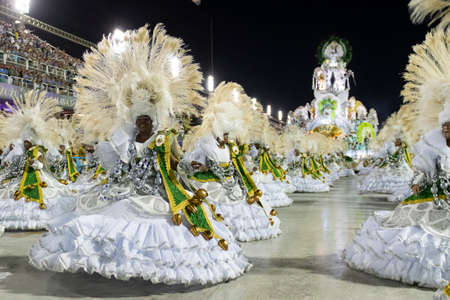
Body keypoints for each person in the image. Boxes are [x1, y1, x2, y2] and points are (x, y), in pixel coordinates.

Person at [29, 24, 251, 285]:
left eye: (147, 120)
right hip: (128, 189)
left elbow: (177, 163)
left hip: (159, 192)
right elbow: (118, 164)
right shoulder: (128, 140)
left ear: (154, 120)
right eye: (140, 120)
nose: (142, 124)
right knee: (108, 211)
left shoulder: (164, 138)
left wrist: (189, 168)